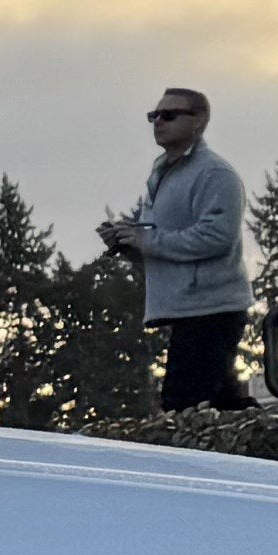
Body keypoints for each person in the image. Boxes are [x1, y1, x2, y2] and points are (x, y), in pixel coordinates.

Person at [100, 86, 247, 410]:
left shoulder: (215, 174)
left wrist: (147, 240)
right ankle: (272, 443)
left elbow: (216, 237)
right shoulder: (164, 172)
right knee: (221, 402)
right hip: (187, 309)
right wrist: (128, 243)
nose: (158, 122)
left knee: (184, 404)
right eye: (154, 115)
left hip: (212, 308)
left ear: (198, 121)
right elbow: (163, 238)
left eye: (169, 115)